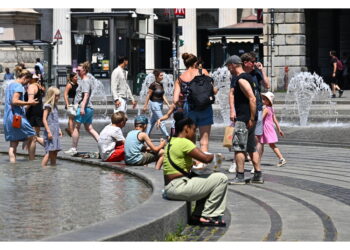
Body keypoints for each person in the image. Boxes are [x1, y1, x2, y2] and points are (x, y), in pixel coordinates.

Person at [163, 112, 228, 227]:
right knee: (221, 178)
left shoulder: (171, 142)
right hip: (179, 187)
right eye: (194, 130)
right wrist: (217, 156)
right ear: (186, 128)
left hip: (170, 187)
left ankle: (197, 215)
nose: (195, 134)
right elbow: (206, 158)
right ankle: (209, 216)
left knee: (205, 179)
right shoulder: (184, 142)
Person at [226, 55, 263, 184]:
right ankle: (258, 175)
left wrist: (251, 118)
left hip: (244, 119)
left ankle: (240, 176)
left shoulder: (241, 79)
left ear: (232, 65)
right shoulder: (248, 77)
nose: (228, 69)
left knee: (239, 148)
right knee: (251, 147)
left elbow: (252, 98)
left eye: (228, 66)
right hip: (249, 119)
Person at [173, 53, 218, 158]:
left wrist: (180, 103)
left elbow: (175, 100)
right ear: (196, 63)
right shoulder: (203, 72)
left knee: (189, 140)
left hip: (189, 109)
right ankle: (202, 165)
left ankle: (191, 164)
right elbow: (212, 91)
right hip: (205, 108)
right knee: (204, 141)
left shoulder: (180, 78)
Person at [240, 52, 270, 173]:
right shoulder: (239, 74)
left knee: (257, 137)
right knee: (241, 136)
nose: (254, 63)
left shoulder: (256, 73)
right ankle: (237, 162)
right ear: (245, 63)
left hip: (257, 108)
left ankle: (256, 164)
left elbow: (267, 85)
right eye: (252, 61)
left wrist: (262, 70)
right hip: (242, 109)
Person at [3, 69, 39, 163]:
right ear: (25, 78)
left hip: (8, 117)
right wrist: (29, 102)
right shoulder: (19, 86)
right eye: (27, 81)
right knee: (33, 137)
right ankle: (32, 161)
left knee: (13, 144)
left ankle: (13, 165)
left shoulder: (9, 85)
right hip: (17, 117)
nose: (27, 84)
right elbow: (14, 101)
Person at [64, 62, 100, 155]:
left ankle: (73, 148)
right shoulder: (85, 80)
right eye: (76, 70)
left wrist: (82, 107)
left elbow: (86, 95)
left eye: (79, 70)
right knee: (89, 128)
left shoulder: (85, 80)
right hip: (89, 108)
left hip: (83, 107)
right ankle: (103, 145)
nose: (77, 72)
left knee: (76, 127)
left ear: (84, 71)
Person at [259, 92, 286, 167]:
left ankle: (257, 160)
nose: (262, 100)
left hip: (265, 128)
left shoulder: (266, 109)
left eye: (264, 99)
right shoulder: (271, 109)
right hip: (270, 128)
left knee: (260, 144)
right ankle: (281, 158)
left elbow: (260, 119)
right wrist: (279, 129)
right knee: (272, 145)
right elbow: (275, 120)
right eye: (262, 99)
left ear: (268, 101)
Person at [142, 69, 170, 139]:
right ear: (157, 76)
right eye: (161, 75)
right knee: (161, 120)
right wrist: (145, 105)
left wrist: (168, 104)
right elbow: (148, 95)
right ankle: (167, 136)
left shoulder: (161, 84)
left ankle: (146, 135)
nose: (162, 76)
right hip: (154, 104)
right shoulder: (153, 85)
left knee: (152, 121)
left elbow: (163, 95)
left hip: (160, 104)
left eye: (162, 75)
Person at [41, 87, 62, 167]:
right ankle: (43, 167)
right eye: (57, 95)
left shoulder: (55, 106)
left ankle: (53, 166)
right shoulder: (47, 106)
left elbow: (56, 120)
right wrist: (48, 131)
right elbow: (44, 119)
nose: (58, 97)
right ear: (52, 96)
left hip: (55, 130)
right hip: (50, 130)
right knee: (49, 151)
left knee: (55, 151)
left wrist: (59, 129)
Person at [63, 72, 79, 137]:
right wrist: (67, 104)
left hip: (76, 102)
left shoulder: (77, 84)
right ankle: (72, 132)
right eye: (75, 77)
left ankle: (69, 129)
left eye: (77, 77)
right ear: (72, 78)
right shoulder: (69, 85)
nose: (77, 78)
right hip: (70, 101)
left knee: (73, 117)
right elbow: (65, 94)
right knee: (71, 118)